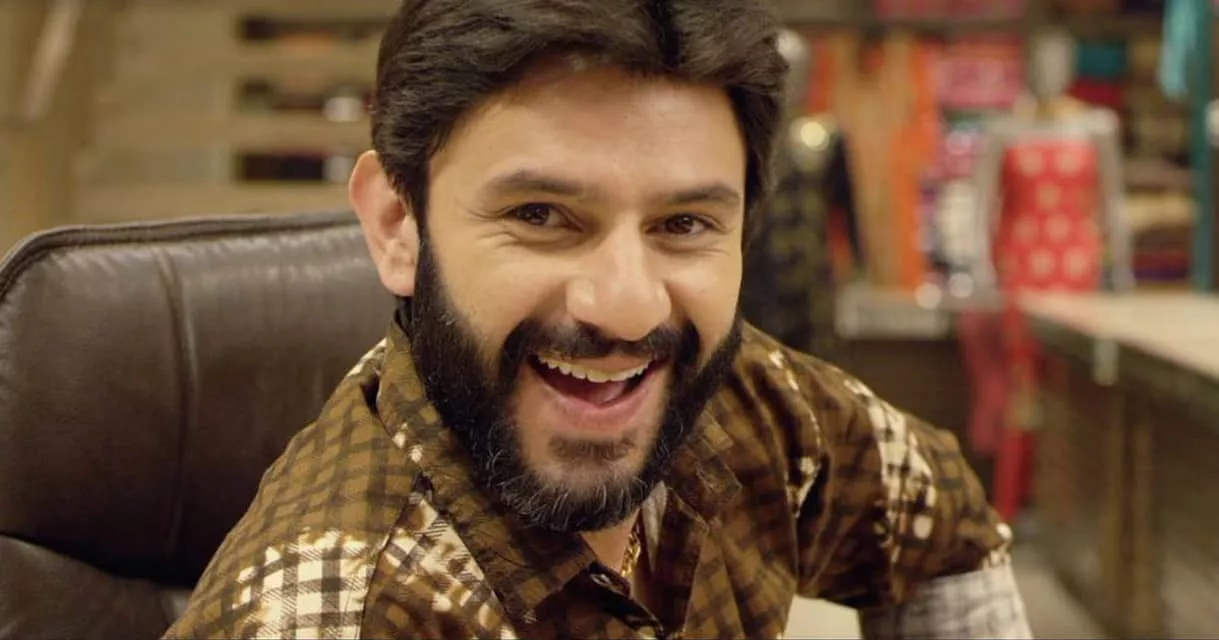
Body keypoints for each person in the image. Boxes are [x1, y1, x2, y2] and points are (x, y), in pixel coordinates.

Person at [165, 1, 1031, 638]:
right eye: (541, 215)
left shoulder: (751, 405)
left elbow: (945, 527)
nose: (626, 306)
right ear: (398, 225)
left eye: (683, 224)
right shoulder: (339, 612)